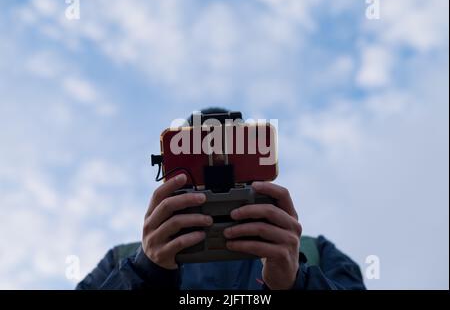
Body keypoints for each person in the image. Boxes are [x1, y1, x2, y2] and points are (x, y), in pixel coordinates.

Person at [76, 107, 366, 290]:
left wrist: (295, 283)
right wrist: (145, 272)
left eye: (232, 157)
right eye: (201, 157)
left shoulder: (316, 251)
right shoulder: (123, 259)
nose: (218, 173)